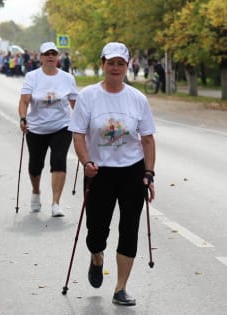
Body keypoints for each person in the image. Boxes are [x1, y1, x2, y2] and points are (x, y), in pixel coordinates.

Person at [68, 42, 156, 306]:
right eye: (111, 62)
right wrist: (86, 162)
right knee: (96, 231)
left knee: (129, 228)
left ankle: (121, 288)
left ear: (127, 66)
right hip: (99, 171)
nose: (115, 67)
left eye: (121, 63)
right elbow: (78, 135)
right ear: (103, 64)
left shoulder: (138, 98)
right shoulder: (88, 96)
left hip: (132, 170)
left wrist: (149, 173)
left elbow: (148, 139)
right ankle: (97, 257)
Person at [18, 42, 78, 217]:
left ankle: (56, 203)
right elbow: (24, 101)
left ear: (58, 57)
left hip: (62, 126)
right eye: (47, 54)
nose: (51, 56)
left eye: (54, 53)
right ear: (41, 57)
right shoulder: (32, 77)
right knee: (35, 165)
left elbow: (75, 104)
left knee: (59, 160)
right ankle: (36, 191)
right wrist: (23, 117)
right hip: (36, 128)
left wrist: (84, 123)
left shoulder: (67, 78)